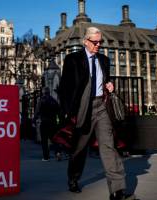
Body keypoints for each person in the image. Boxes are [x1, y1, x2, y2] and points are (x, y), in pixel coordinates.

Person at [58, 27, 133, 200]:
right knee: (79, 148)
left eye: (100, 42)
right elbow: (65, 88)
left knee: (109, 147)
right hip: (83, 108)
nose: (98, 45)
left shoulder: (104, 60)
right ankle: (73, 178)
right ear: (85, 41)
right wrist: (67, 112)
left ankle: (117, 190)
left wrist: (109, 85)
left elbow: (105, 80)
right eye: (95, 42)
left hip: (101, 106)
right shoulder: (73, 59)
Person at [34, 87, 61, 161]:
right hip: (53, 122)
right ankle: (58, 152)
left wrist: (34, 120)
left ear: (43, 92)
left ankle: (46, 157)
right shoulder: (54, 101)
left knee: (44, 141)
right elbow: (59, 112)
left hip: (44, 122)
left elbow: (37, 111)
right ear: (49, 92)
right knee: (54, 139)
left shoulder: (41, 100)